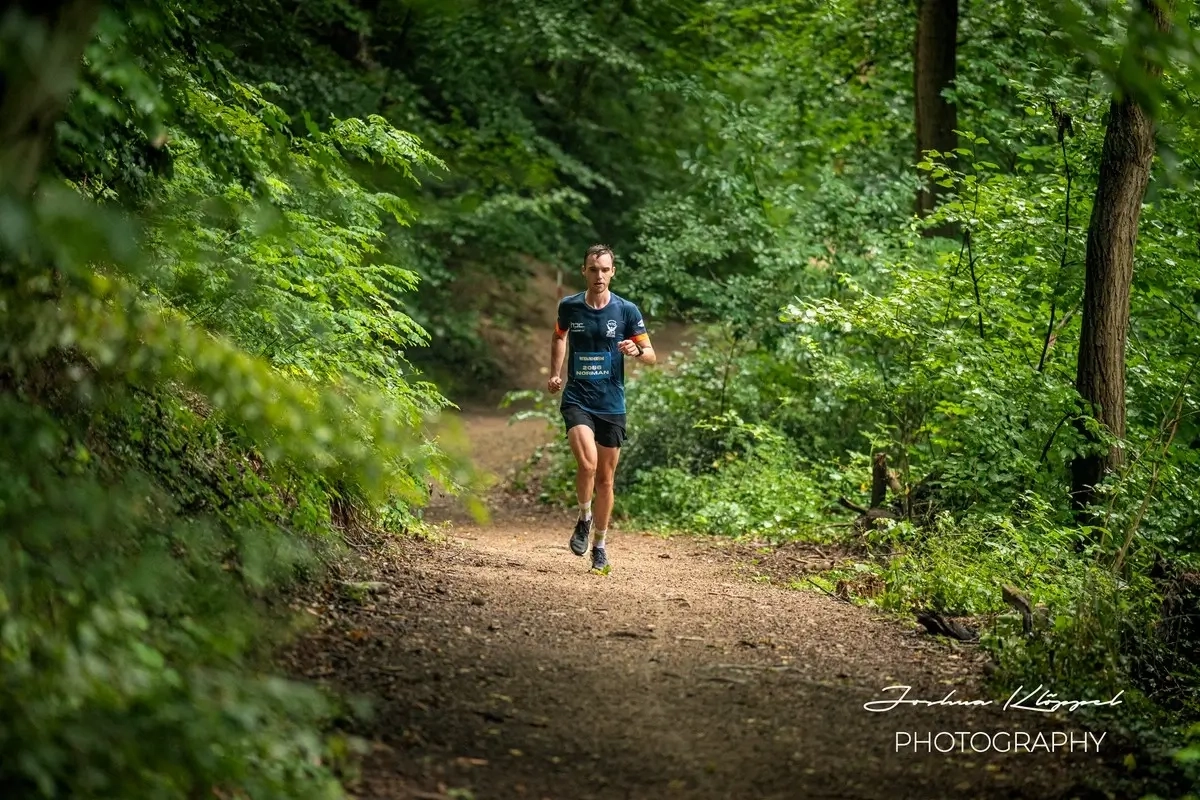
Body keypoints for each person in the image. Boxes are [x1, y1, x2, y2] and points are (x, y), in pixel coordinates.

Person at [547, 244, 655, 572]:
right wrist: (555, 372)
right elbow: (559, 336)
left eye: (605, 270)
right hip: (578, 397)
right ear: (584, 271)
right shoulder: (570, 306)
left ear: (613, 272)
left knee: (606, 480)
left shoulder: (626, 311)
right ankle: (584, 517)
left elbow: (651, 355)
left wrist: (636, 352)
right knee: (588, 465)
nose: (599, 275)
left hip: (611, 403)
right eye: (593, 270)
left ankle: (600, 544)